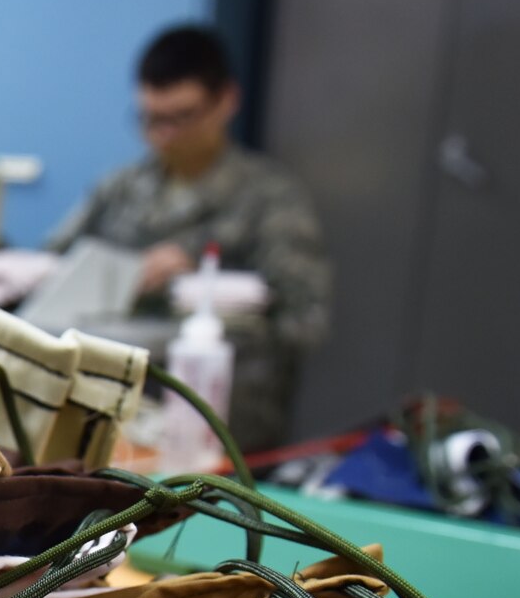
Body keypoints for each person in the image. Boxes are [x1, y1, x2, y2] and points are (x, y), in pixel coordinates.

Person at [44, 24, 330, 452]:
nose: (164, 134)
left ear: (226, 102)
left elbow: (305, 320)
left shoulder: (270, 199)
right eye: (151, 119)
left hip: (222, 430)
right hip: (112, 421)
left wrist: (203, 285)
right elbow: (49, 270)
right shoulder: (120, 188)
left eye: (181, 117)